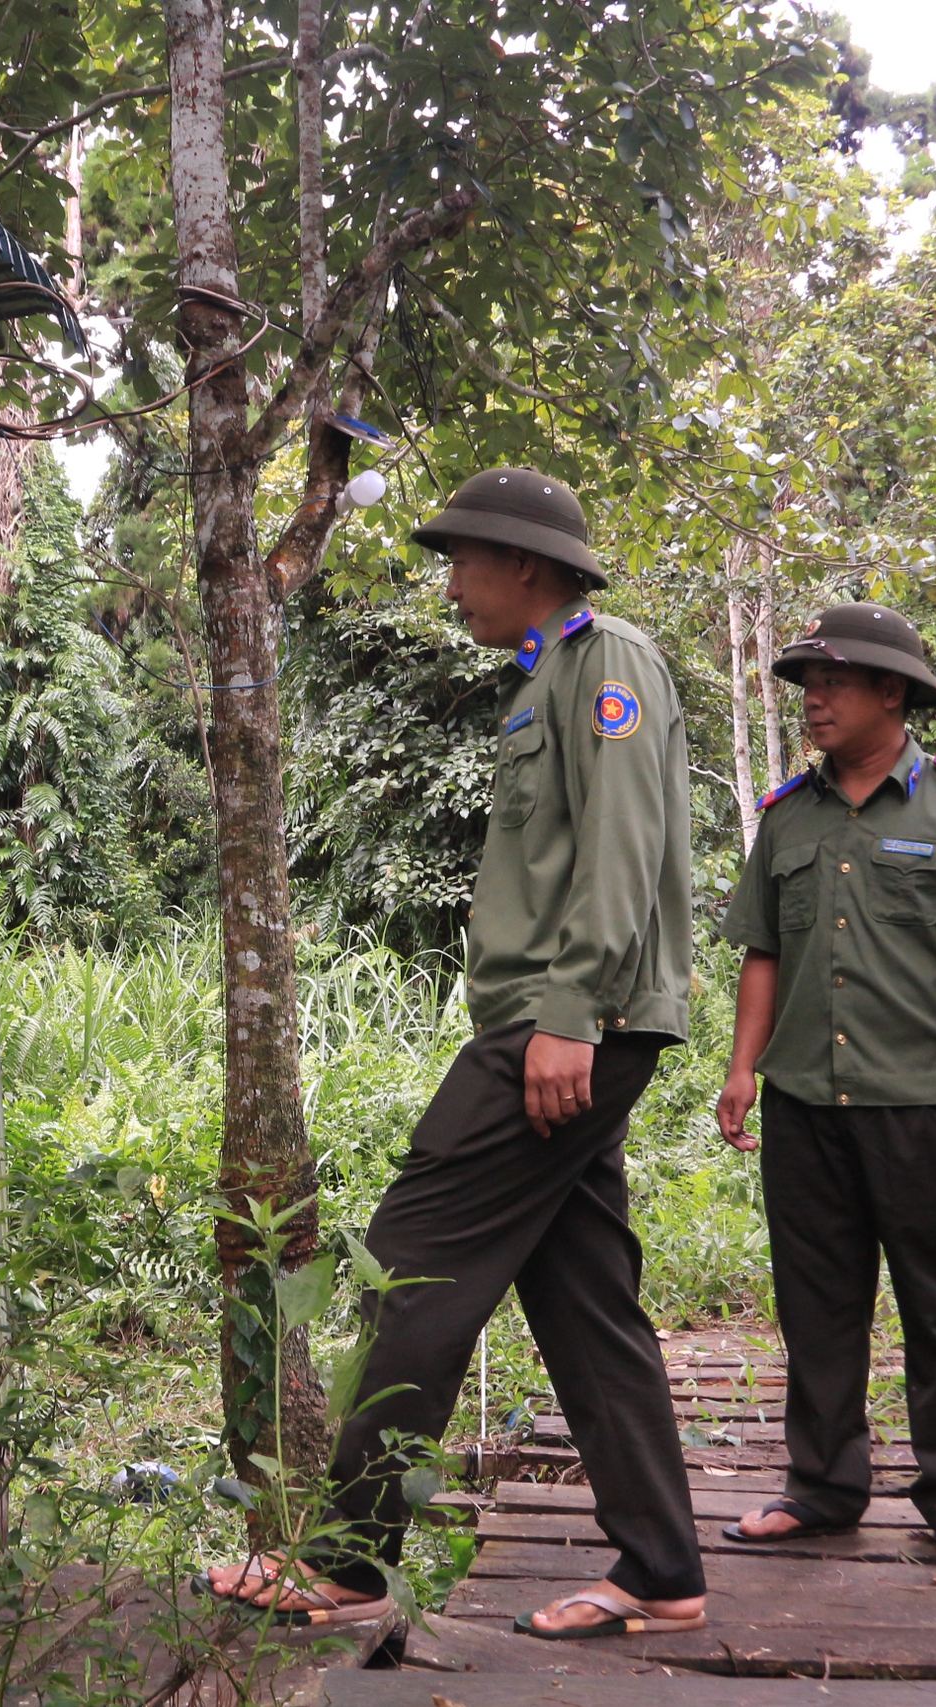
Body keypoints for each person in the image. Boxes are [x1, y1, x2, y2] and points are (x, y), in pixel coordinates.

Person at [204, 467, 707, 1638]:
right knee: (586, 1304)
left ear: (526, 564)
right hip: (555, 1024)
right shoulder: (548, 679)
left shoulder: (606, 663)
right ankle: (663, 1573)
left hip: (566, 1025)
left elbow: (621, 854)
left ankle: (342, 1562)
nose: (452, 585)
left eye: (463, 561)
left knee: (411, 1262)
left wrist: (569, 1013)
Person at [713, 602, 936, 1572]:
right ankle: (822, 1486)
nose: (814, 701)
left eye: (836, 684)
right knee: (815, 1303)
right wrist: (742, 1069)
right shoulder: (789, 816)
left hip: (929, 1104)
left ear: (892, 693)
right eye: (808, 685)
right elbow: (763, 954)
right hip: (806, 1104)